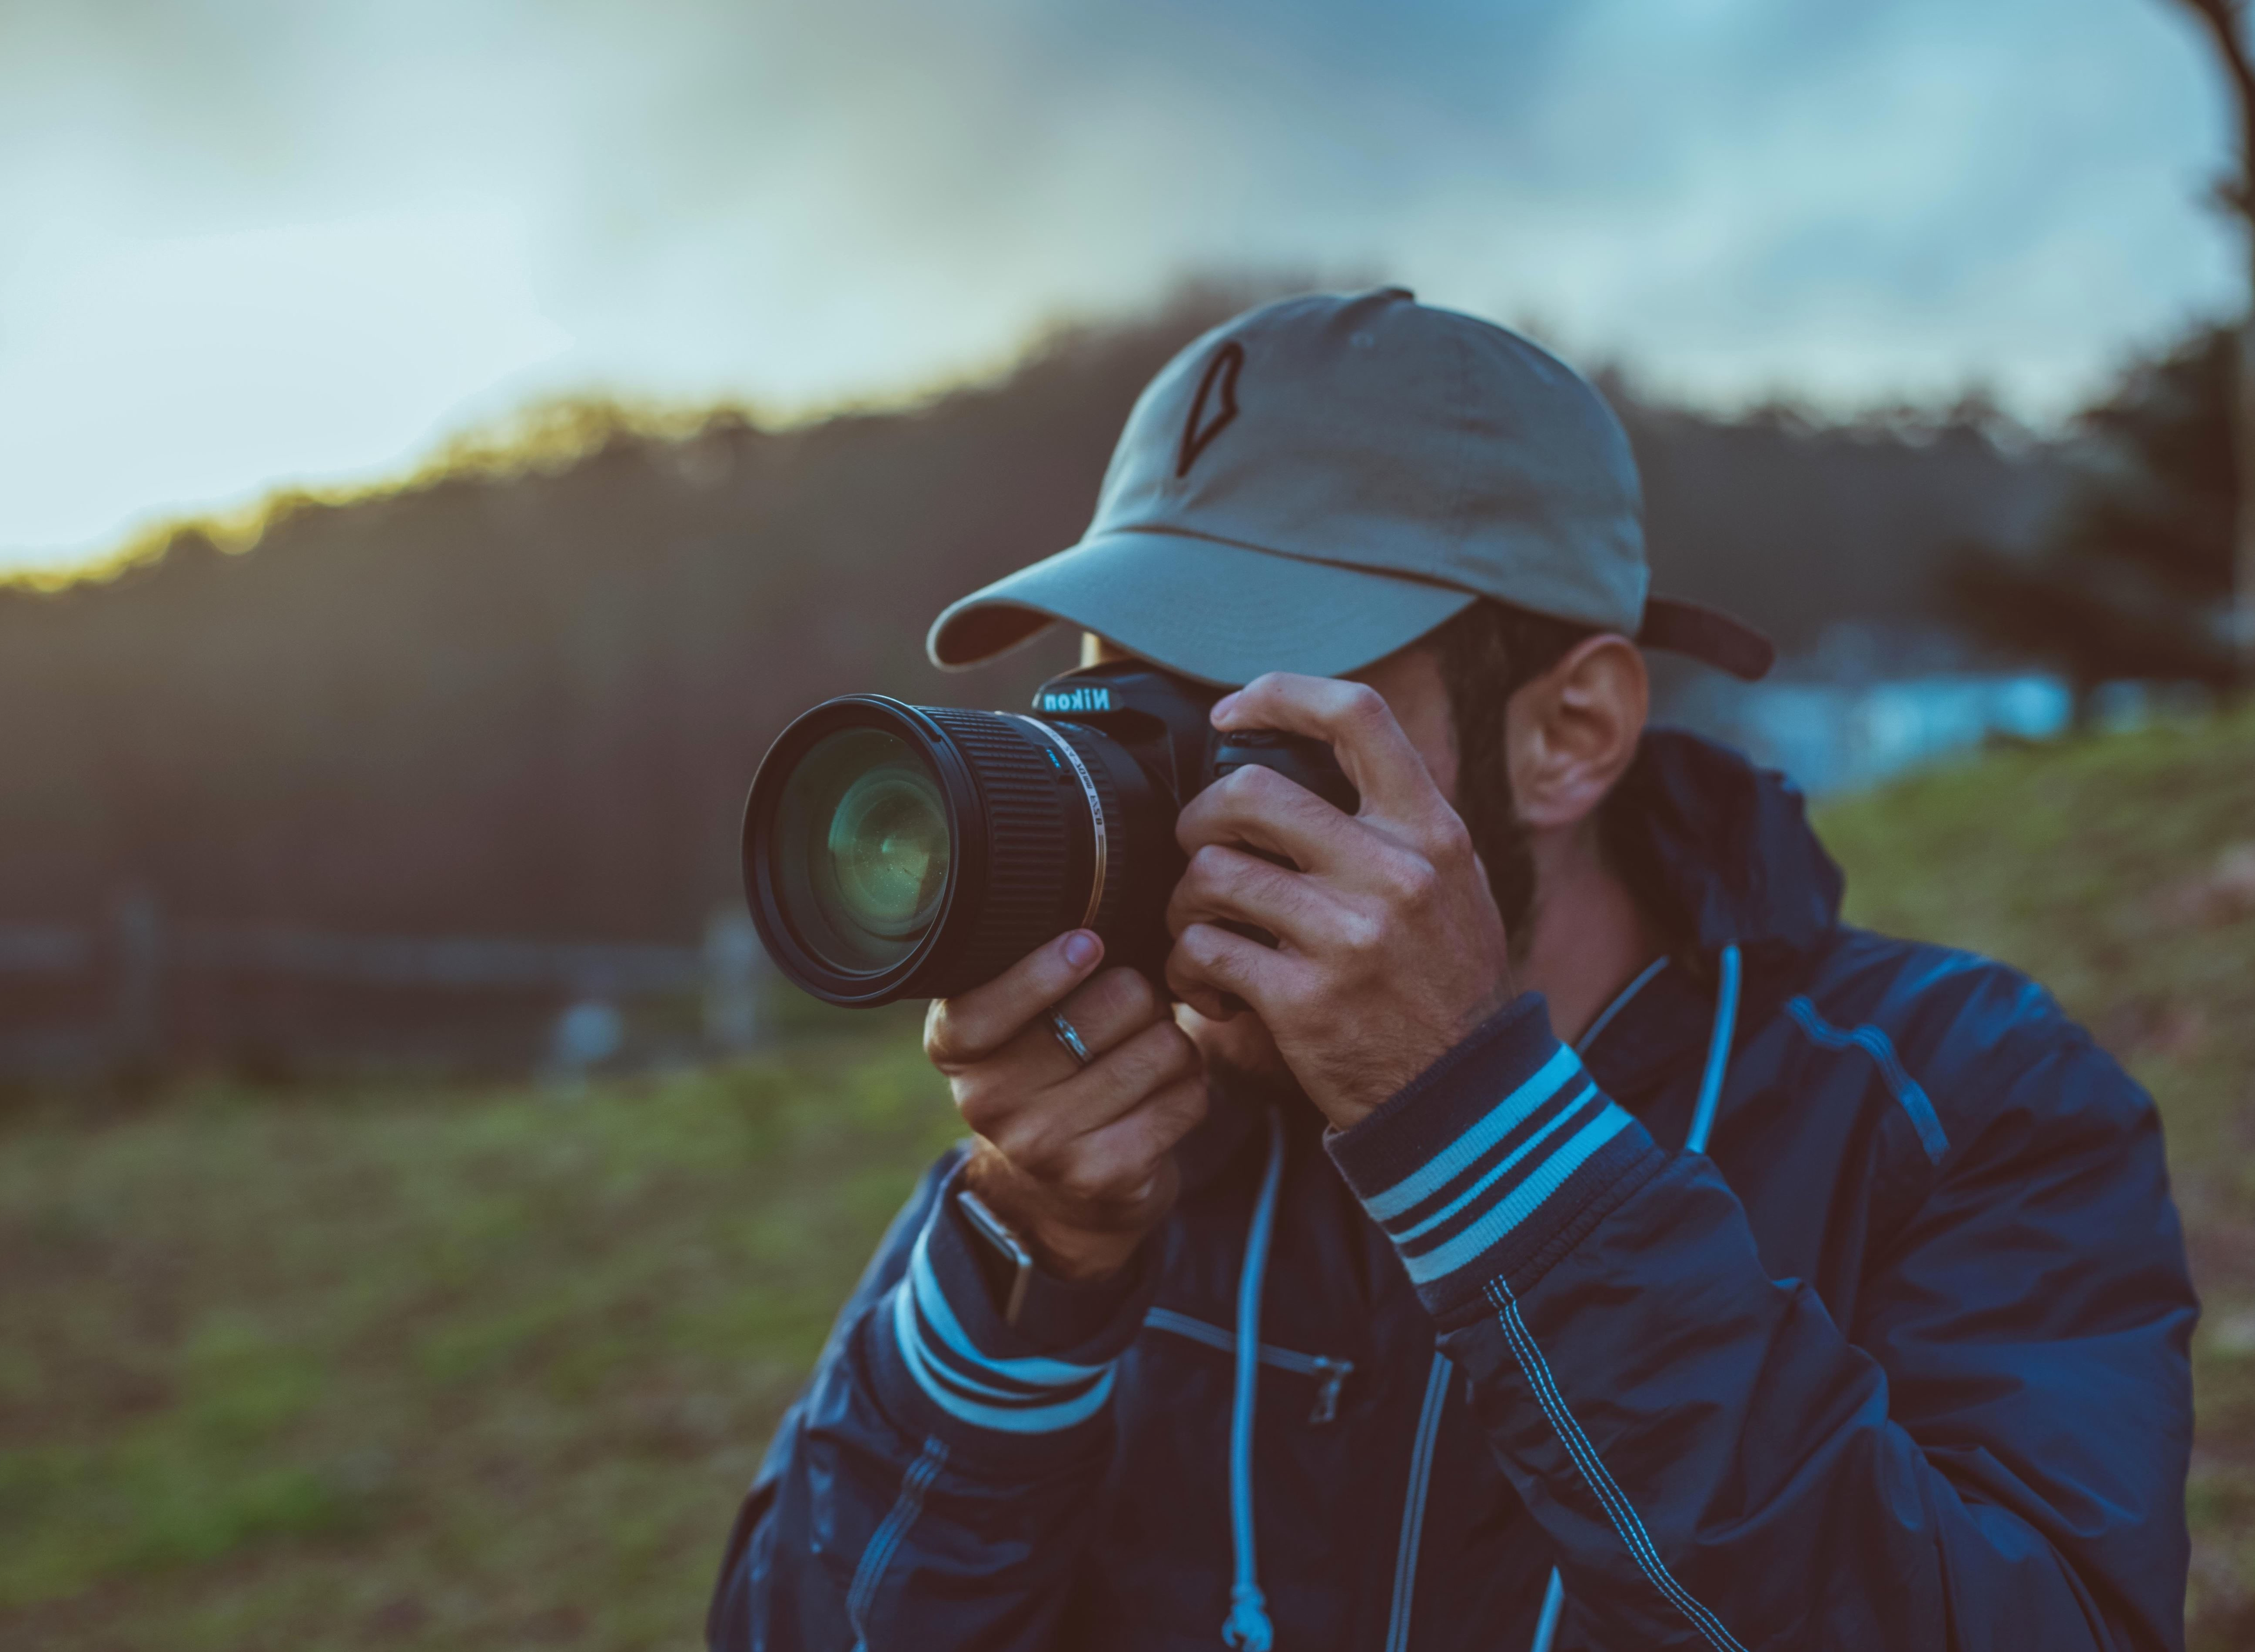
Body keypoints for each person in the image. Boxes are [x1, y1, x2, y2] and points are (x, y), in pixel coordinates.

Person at [707, 289, 2195, 1651]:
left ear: (1570, 734)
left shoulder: (1957, 1102)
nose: (1160, 780)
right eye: (1123, 690)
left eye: (1254, 699)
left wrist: (1487, 1148)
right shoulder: (1117, 1141)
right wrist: (1024, 1271)